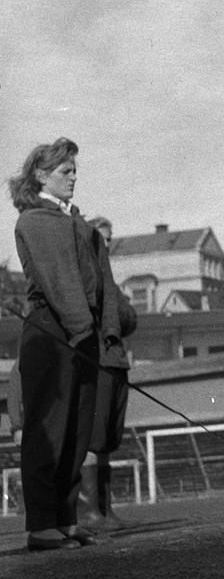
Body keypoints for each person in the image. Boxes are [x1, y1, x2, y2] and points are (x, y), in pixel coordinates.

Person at [8, 138, 117, 551]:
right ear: (41, 175)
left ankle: (66, 517)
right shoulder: (36, 221)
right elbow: (60, 282)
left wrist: (104, 331)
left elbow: (103, 282)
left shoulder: (78, 224)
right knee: (48, 431)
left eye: (74, 171)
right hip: (54, 333)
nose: (74, 177)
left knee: (77, 429)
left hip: (82, 332)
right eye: (65, 172)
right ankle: (41, 525)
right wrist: (81, 328)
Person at [79, 216, 138, 527]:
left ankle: (104, 507)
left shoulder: (110, 281)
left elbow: (130, 318)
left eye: (109, 239)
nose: (107, 244)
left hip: (116, 362)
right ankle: (88, 509)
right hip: (98, 363)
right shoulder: (86, 278)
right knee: (93, 438)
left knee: (109, 440)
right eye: (102, 238)